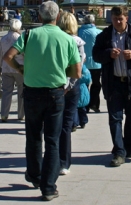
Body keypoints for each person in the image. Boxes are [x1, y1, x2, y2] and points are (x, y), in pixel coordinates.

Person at [3, 1, 81, 201]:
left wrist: (21, 69)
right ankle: (48, 187)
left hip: (32, 92)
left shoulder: (29, 35)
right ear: (57, 17)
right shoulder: (67, 39)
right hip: (56, 93)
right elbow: (77, 72)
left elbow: (8, 56)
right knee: (53, 140)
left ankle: (35, 175)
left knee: (34, 136)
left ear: (39, 17)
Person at [92, 6, 131, 167]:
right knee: (115, 118)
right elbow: (95, 55)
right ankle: (119, 151)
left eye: (120, 19)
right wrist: (108, 54)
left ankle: (128, 145)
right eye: (114, 19)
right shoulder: (104, 36)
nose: (117, 22)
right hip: (113, 83)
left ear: (127, 18)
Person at [57, 12, 86, 176]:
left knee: (55, 124)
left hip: (58, 85)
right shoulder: (78, 42)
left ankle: (55, 159)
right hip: (71, 87)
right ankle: (64, 162)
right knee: (66, 126)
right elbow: (79, 67)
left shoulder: (58, 40)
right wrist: (70, 85)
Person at [0, 18, 25, 122]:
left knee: (7, 92)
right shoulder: (21, 38)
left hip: (6, 68)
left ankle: (4, 115)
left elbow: (0, 54)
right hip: (19, 68)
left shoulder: (3, 39)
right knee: (22, 92)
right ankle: (21, 114)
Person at [78, 14, 101, 113]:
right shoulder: (98, 32)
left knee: (84, 84)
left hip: (83, 62)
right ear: (93, 21)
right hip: (96, 63)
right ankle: (94, 103)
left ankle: (85, 105)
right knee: (96, 84)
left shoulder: (79, 32)